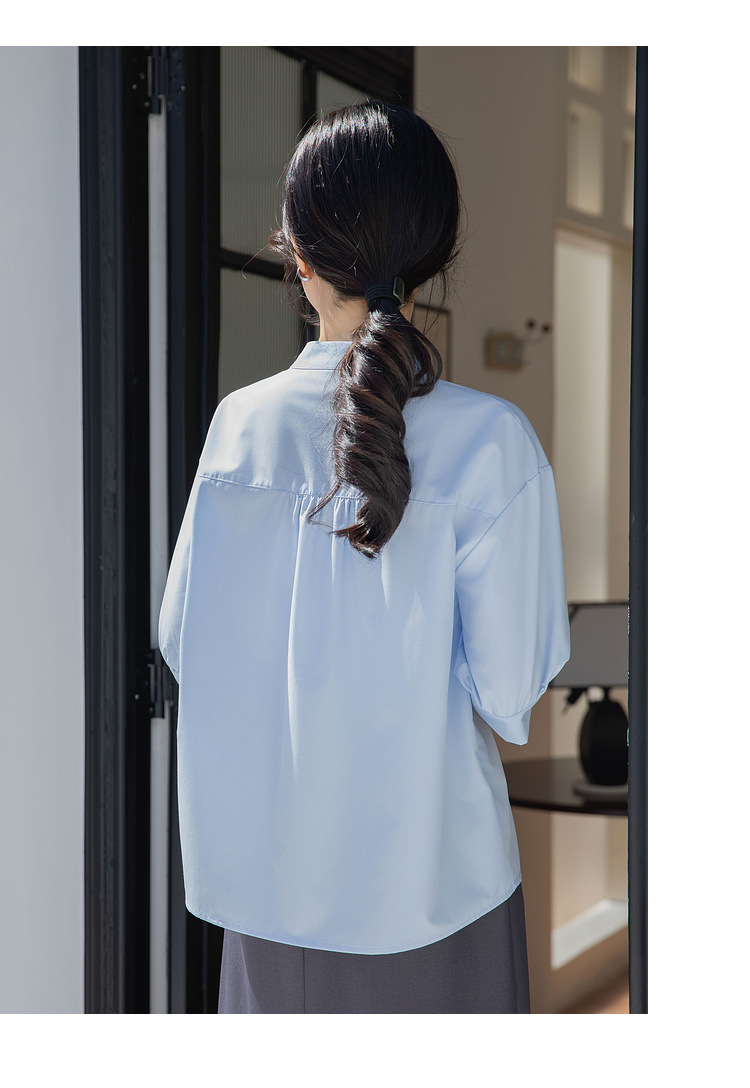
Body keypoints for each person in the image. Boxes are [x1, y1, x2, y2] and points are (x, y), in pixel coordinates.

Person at [158, 99, 570, 1014]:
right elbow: (511, 696)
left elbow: (186, 647)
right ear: (434, 256)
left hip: (269, 901)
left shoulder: (238, 430)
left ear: (298, 259)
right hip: (441, 898)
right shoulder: (492, 444)